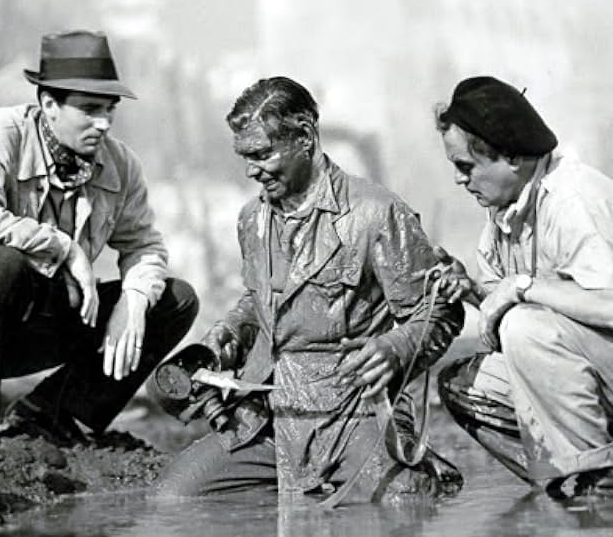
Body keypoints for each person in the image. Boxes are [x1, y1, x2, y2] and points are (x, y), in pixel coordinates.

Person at [155, 76, 464, 502]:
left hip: (355, 416)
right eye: (244, 156)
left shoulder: (376, 213)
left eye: (262, 154)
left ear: (304, 136)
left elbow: (438, 313)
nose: (251, 170)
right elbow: (259, 302)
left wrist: (397, 347)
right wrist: (226, 336)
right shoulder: (252, 219)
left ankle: (417, 463)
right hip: (267, 420)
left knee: (404, 505)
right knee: (173, 501)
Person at [0, 30, 198, 462]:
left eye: (109, 110)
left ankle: (52, 415)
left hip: (31, 323)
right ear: (48, 105)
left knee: (174, 299)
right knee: (5, 263)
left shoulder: (121, 164)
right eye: (91, 109)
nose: (104, 123)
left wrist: (132, 300)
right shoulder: (2, 132)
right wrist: (65, 248)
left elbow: (145, 246)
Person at [431, 76, 613, 503]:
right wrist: (473, 290)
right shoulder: (502, 217)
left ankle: (599, 480)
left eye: (465, 166)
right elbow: (512, 317)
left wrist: (521, 286)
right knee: (464, 387)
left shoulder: (574, 197)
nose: (460, 180)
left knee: (528, 326)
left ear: (509, 156)